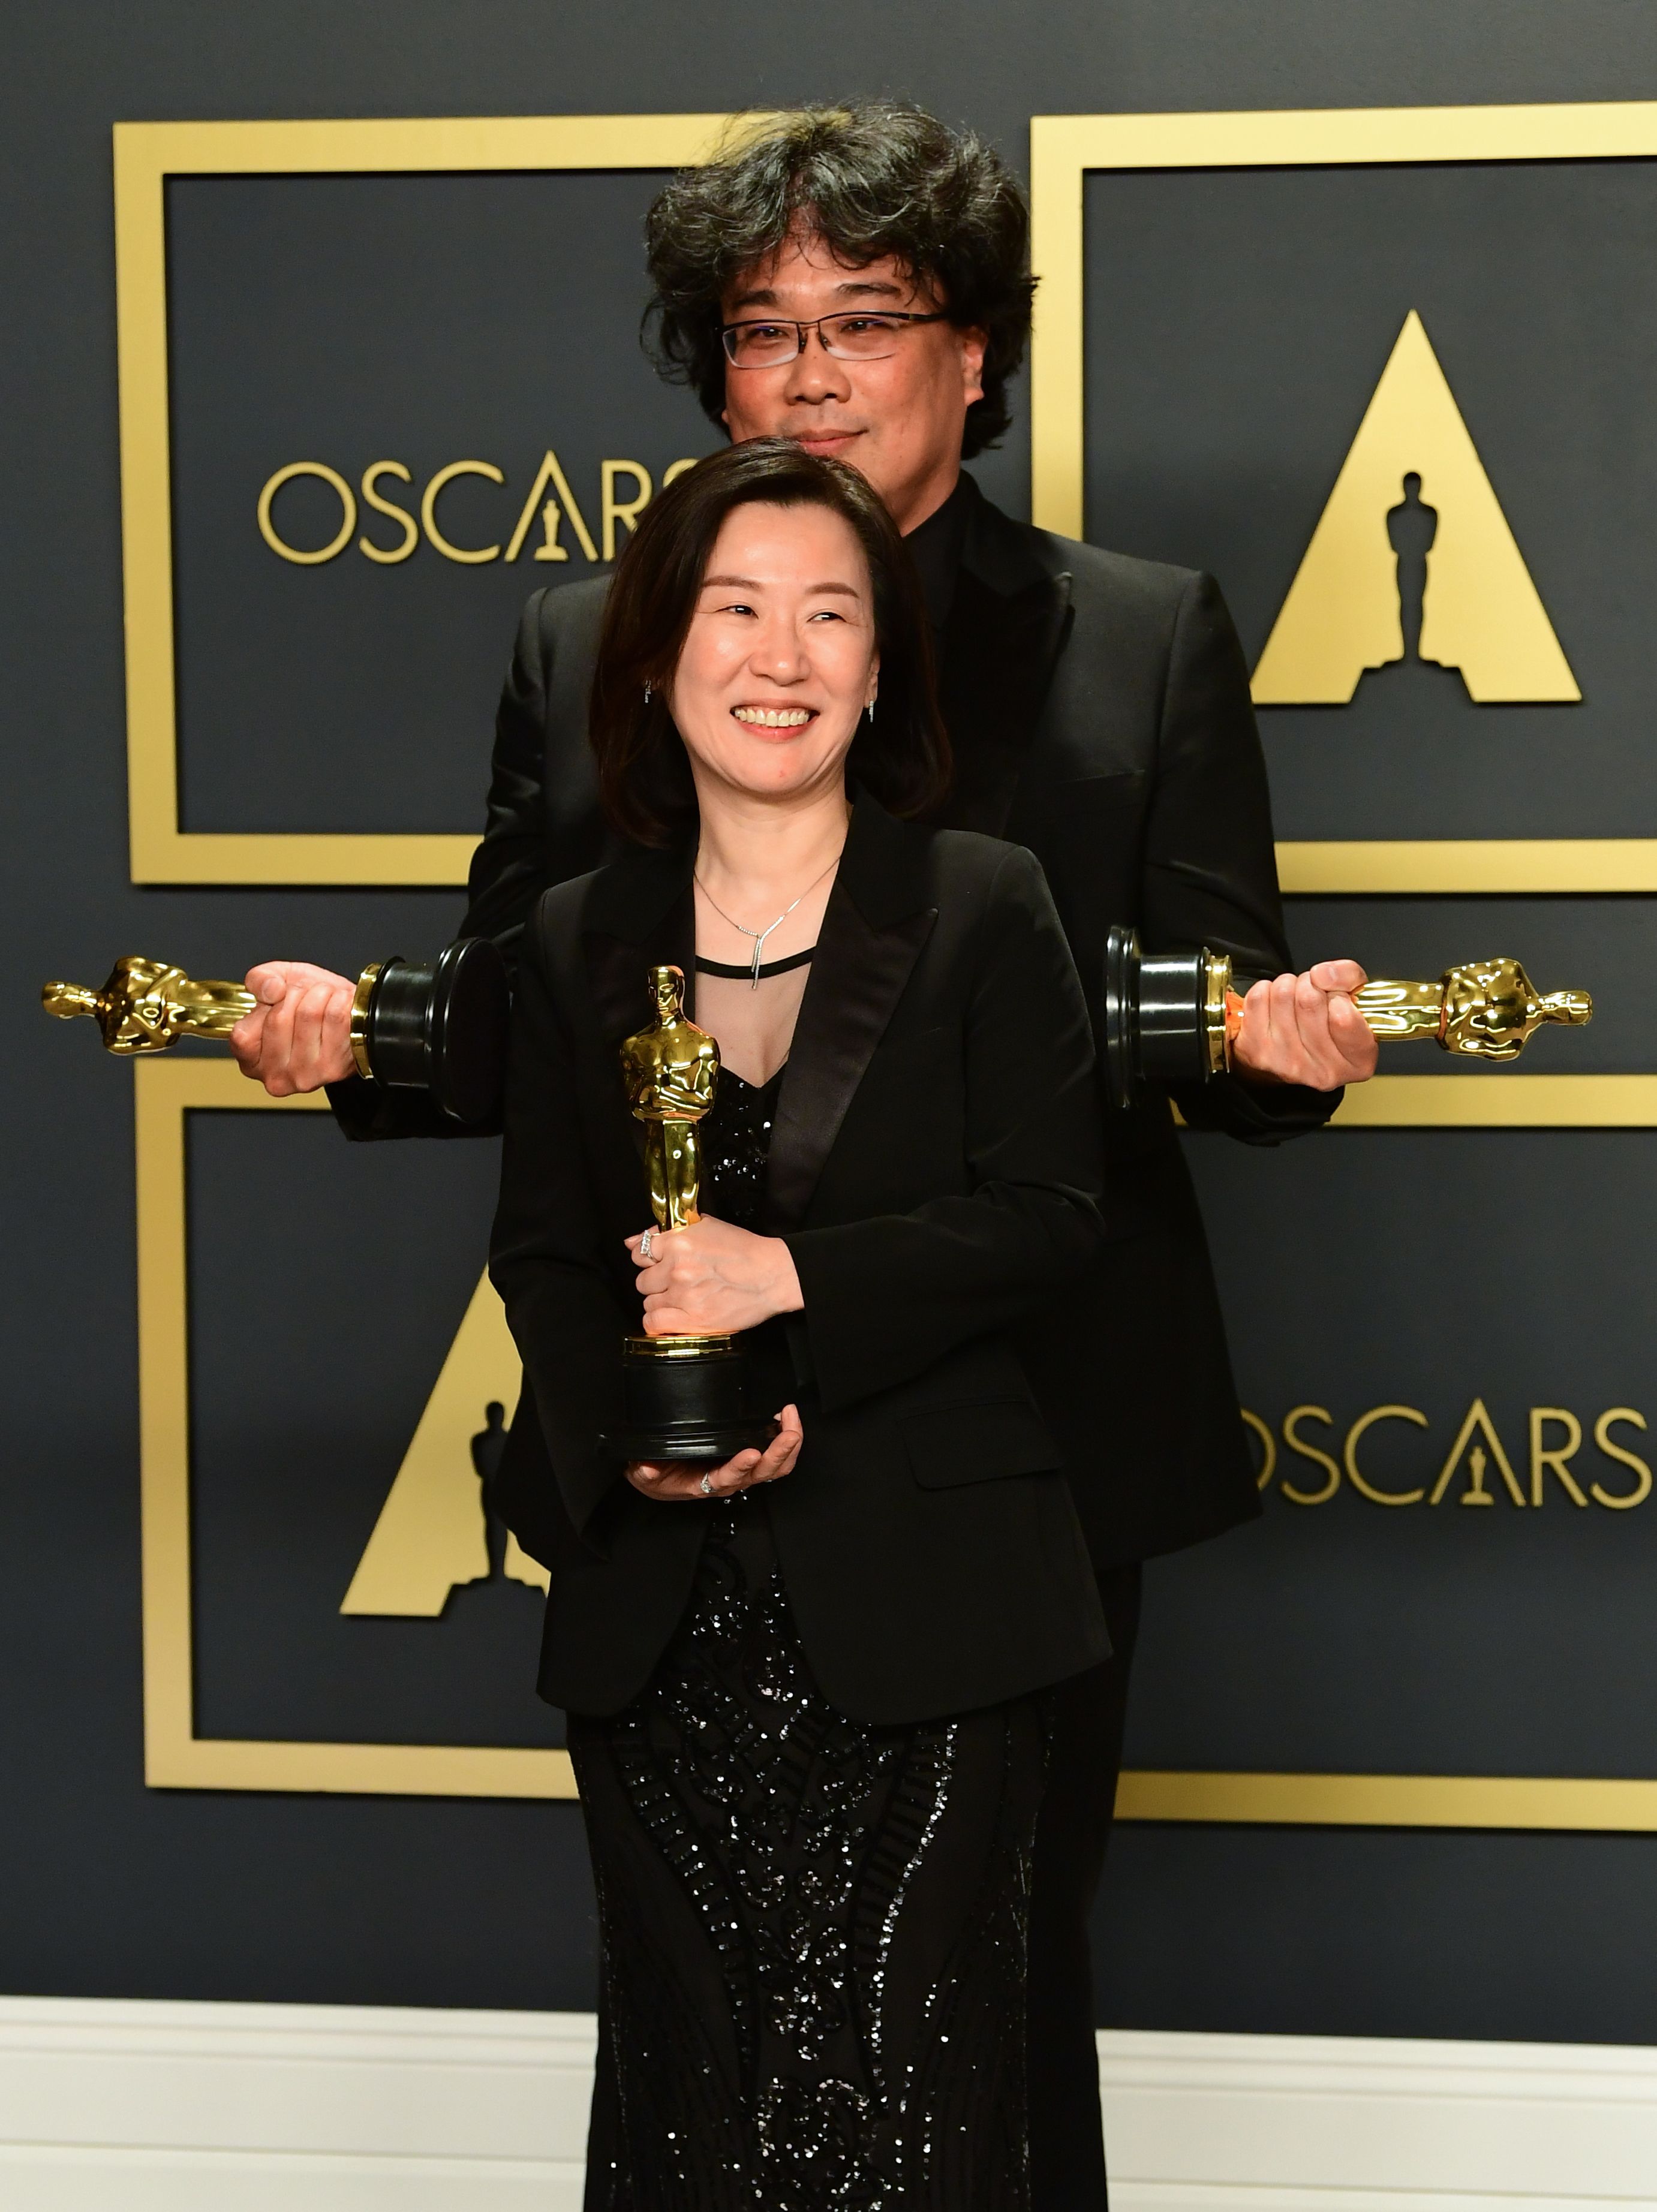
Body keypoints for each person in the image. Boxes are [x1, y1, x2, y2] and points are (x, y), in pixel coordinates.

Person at [230, 104, 1378, 2208]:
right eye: (765, 330)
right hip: (676, 1444)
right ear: (711, 369)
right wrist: (345, 1045)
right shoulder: (596, 637)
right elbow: (522, 1014)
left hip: (1021, 1435)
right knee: (693, 2024)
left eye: (870, 318)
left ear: (973, 355)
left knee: (986, 2002)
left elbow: (1224, 1026)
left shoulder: (1137, 632)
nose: (819, 369)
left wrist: (1288, 1058)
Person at [494, 436, 1111, 2207]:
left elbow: (1052, 1215)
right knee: (696, 2100)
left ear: (880, 662)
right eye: (736, 608)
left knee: (923, 2105)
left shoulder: (984, 897)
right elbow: (544, 1253)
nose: (783, 657)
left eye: (832, 614)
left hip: (939, 1619)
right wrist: (628, 1423)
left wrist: (793, 1283)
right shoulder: (564, 939)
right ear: (650, 654)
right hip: (663, 1623)